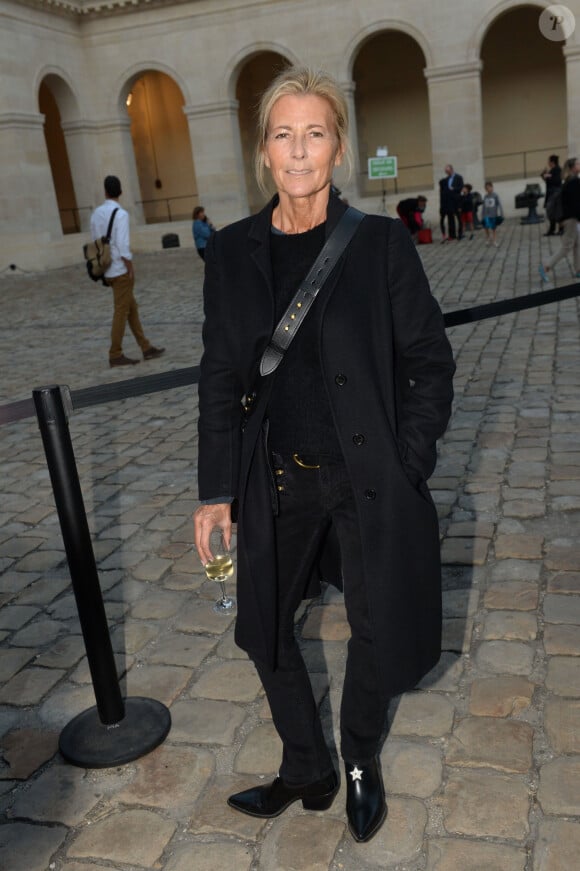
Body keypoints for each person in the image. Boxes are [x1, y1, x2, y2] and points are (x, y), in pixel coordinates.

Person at [193, 67, 455, 845]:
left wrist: (407, 461)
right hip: (273, 479)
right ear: (263, 152)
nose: (299, 151)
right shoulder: (233, 253)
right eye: (283, 134)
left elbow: (428, 362)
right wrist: (215, 491)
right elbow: (218, 376)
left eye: (314, 133)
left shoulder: (378, 245)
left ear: (338, 149)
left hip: (366, 479)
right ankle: (307, 763)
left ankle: (362, 756)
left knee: (375, 625)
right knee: (263, 629)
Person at [90, 176, 165, 367]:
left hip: (107, 268)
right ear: (120, 192)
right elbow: (123, 245)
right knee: (121, 312)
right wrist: (130, 268)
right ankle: (115, 353)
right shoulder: (120, 214)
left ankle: (146, 347)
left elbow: (95, 242)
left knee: (131, 309)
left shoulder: (96, 214)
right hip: (120, 269)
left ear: (105, 191)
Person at [539, 156, 580, 282]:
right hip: (571, 219)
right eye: (578, 164)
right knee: (566, 247)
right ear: (573, 167)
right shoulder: (574, 181)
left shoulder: (569, 180)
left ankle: (578, 270)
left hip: (570, 218)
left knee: (578, 244)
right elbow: (575, 204)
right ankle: (546, 266)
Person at [438, 164, 463, 241]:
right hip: (449, 202)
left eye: (448, 171)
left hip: (456, 201)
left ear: (451, 170)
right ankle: (452, 235)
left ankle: (460, 234)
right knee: (450, 219)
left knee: (459, 218)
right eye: (446, 172)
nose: (447, 173)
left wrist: (454, 189)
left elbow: (461, 187)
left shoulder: (459, 177)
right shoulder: (446, 179)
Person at [540, 154, 562, 236]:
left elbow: (555, 181)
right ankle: (552, 229)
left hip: (555, 194)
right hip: (551, 194)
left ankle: (560, 229)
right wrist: (544, 174)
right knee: (552, 212)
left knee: (555, 212)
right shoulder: (553, 170)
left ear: (552, 162)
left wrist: (545, 175)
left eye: (549, 161)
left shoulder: (557, 170)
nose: (548, 163)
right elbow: (547, 179)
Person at [481, 180, 503, 247]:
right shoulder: (485, 196)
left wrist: (501, 213)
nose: (488, 189)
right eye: (486, 188)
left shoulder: (495, 195)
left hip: (493, 214)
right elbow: (484, 206)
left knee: (493, 228)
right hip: (486, 214)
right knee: (486, 227)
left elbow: (499, 204)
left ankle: (494, 240)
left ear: (492, 187)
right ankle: (488, 239)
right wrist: (482, 214)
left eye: (489, 188)